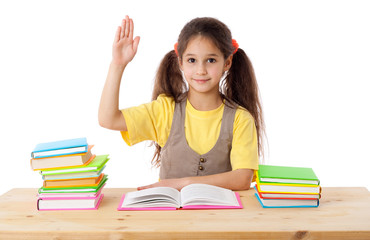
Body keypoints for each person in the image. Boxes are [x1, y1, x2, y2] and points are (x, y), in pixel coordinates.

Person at [99, 16, 265, 191]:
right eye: (192, 60)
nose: (201, 70)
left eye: (211, 60)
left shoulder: (240, 119)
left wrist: (184, 183)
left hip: (221, 216)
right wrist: (117, 65)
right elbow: (108, 119)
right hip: (170, 215)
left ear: (227, 62)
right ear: (181, 63)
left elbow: (242, 179)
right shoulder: (166, 110)